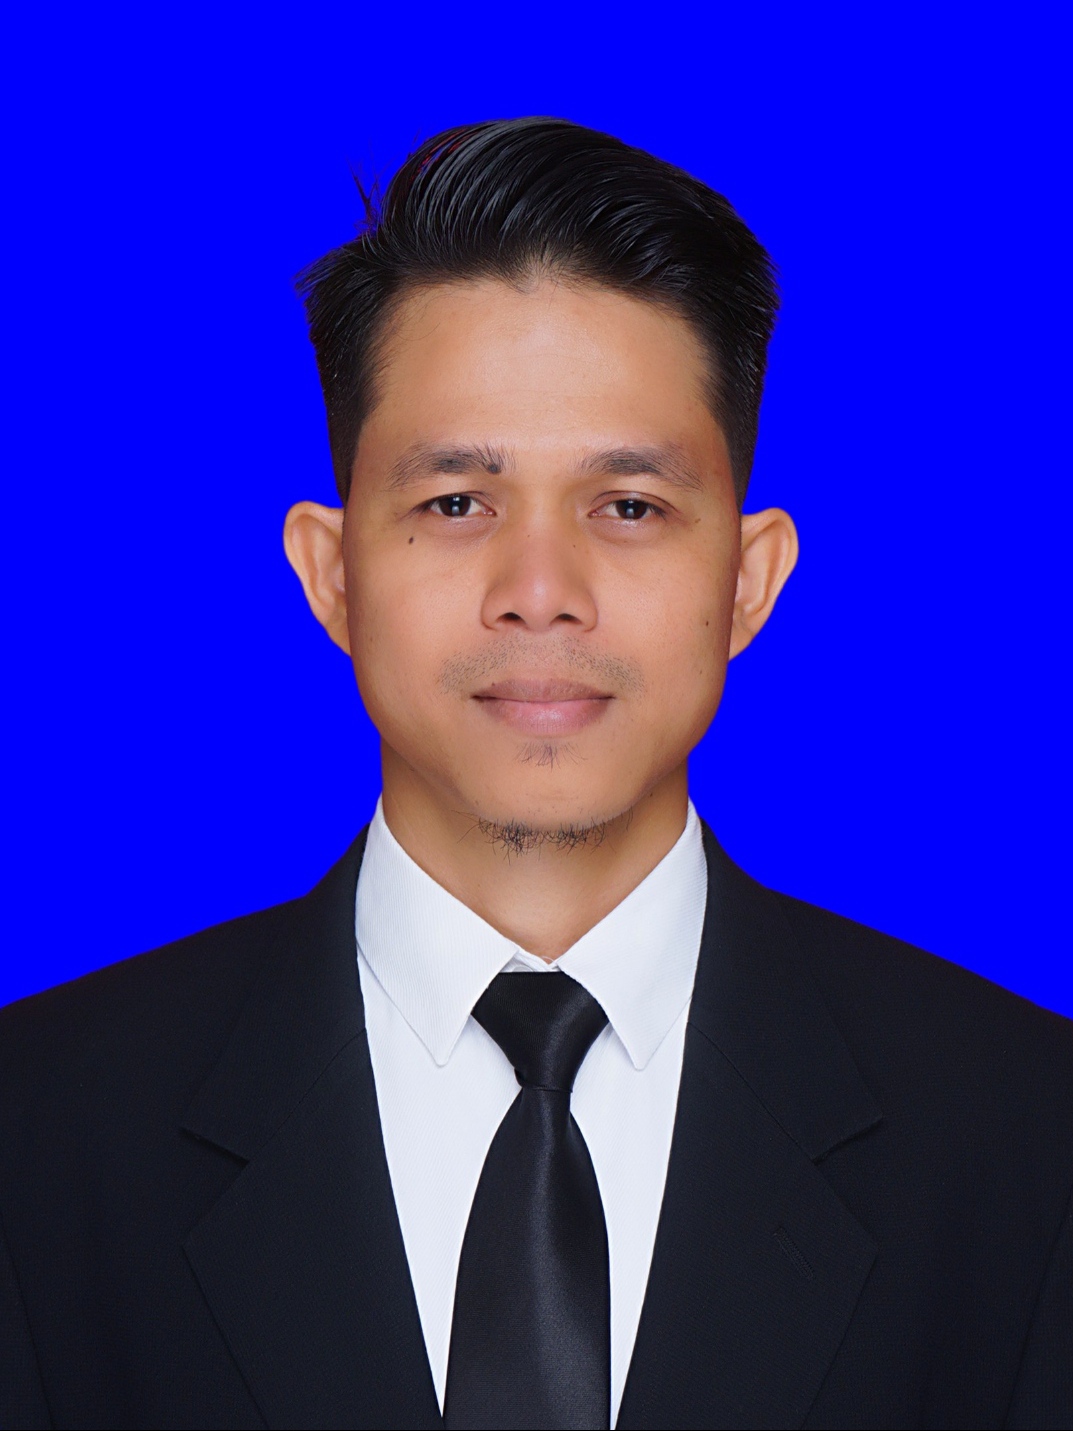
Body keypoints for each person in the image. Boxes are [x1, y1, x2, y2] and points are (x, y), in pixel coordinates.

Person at [2, 117, 1071, 1431]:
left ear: (748, 580)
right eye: (456, 502)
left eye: (628, 506)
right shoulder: (39, 1131)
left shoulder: (1029, 1136)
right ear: (332, 574)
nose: (541, 591)